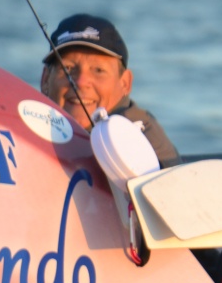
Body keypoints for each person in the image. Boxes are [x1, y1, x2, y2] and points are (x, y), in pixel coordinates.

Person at [40, 13, 180, 168]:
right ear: (45, 79)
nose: (80, 82)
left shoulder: (138, 140)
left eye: (98, 70)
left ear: (125, 83)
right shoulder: (34, 125)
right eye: (68, 68)